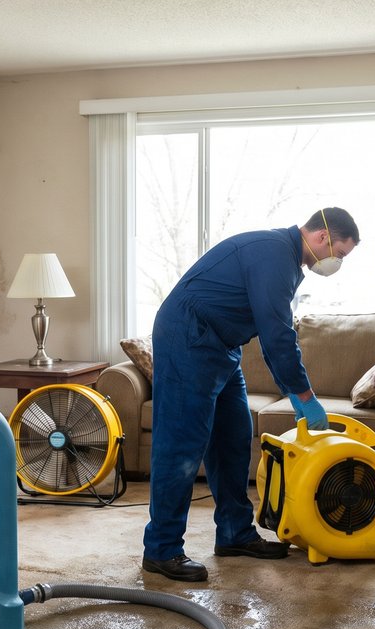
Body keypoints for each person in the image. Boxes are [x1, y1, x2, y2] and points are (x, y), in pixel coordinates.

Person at [142, 208, 360, 583]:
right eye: (339, 254)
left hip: (222, 344)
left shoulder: (287, 259)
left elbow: (272, 332)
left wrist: (294, 390)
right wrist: (305, 396)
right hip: (189, 337)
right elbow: (278, 337)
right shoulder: (274, 254)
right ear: (323, 238)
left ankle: (234, 533)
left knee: (234, 437)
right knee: (181, 444)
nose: (336, 263)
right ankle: (162, 550)